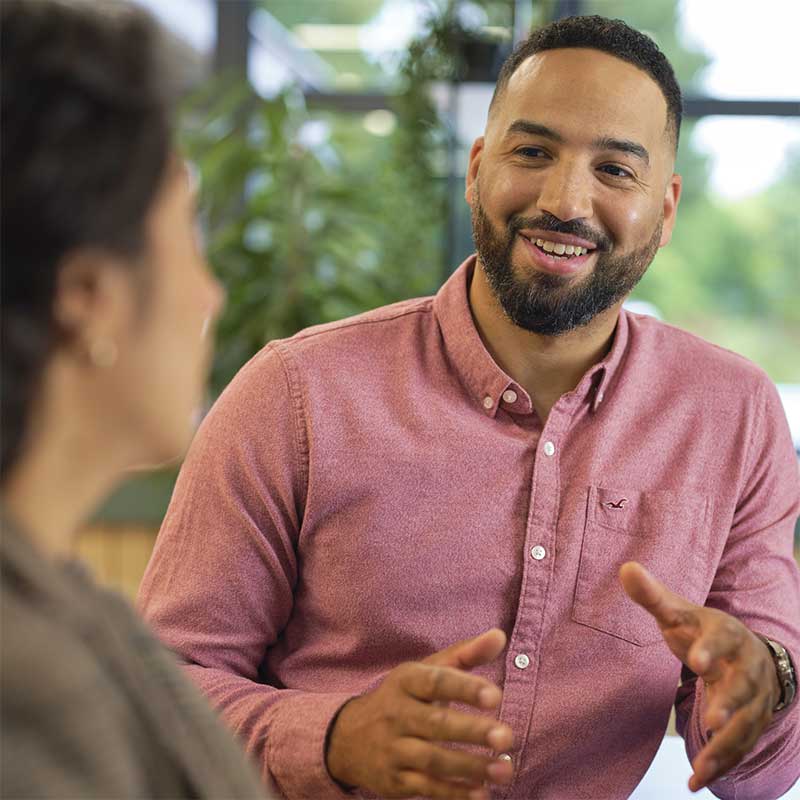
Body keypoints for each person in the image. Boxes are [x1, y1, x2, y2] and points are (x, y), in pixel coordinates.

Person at [138, 15, 800, 800]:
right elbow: (157, 699)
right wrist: (337, 740)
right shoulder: (296, 395)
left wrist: (765, 686)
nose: (565, 199)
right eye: (533, 152)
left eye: (616, 169)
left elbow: (761, 771)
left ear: (665, 207)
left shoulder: (734, 415)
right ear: (478, 167)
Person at [0, 2, 267, 797]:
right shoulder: (29, 693)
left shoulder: (66, 597)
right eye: (187, 236)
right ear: (87, 295)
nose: (210, 293)